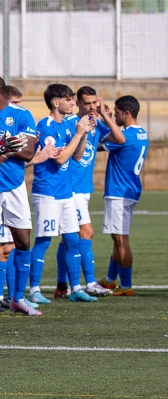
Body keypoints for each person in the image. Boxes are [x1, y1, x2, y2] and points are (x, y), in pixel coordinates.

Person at [0, 76, 42, 317]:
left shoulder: (22, 114)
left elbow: (27, 153)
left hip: (15, 185)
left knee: (23, 241)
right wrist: (7, 143)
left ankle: (18, 298)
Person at [53, 87, 123, 299]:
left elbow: (119, 139)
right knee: (86, 232)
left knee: (67, 239)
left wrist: (104, 115)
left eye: (95, 103)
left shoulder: (95, 124)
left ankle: (61, 286)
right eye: (88, 103)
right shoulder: (72, 123)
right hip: (71, 188)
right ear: (79, 104)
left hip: (84, 189)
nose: (92, 107)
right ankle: (90, 283)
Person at [28, 84, 95, 304]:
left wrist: (83, 134)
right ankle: (34, 289)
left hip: (66, 193)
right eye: (68, 99)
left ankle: (75, 288)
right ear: (56, 102)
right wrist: (78, 133)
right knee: (44, 240)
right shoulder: (46, 126)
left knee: (72, 240)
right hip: (48, 192)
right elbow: (60, 158)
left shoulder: (67, 125)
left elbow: (75, 156)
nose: (72, 102)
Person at [100, 95, 149, 296]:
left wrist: (104, 119)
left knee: (121, 240)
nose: (115, 115)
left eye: (117, 112)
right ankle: (111, 280)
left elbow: (100, 143)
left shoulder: (125, 136)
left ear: (126, 113)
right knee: (116, 237)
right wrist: (109, 120)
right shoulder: (142, 133)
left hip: (119, 192)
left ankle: (126, 286)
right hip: (131, 189)